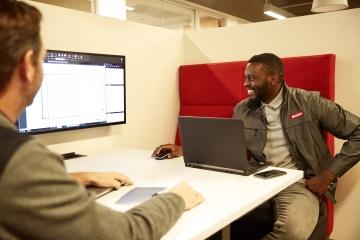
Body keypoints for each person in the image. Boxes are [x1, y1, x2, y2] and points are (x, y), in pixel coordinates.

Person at [0, 1, 204, 239]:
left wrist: (73, 178)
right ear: (27, 65)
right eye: (42, 60)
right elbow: (126, 234)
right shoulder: (21, 158)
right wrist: (176, 198)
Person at [153, 53, 360, 239]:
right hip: (257, 178)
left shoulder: (308, 102)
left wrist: (327, 176)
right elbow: (225, 144)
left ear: (274, 79)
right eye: (245, 77)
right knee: (204, 213)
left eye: (251, 78)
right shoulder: (243, 109)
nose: (245, 84)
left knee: (293, 231)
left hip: (299, 182)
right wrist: (183, 150)